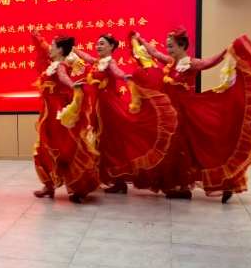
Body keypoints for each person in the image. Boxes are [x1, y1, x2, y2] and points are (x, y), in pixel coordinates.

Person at [133, 29, 251, 202]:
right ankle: (180, 186)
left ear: (182, 46)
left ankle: (222, 183)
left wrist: (228, 50)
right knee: (177, 149)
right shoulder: (170, 62)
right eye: (167, 46)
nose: (168, 50)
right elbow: (154, 53)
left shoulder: (192, 63)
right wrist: (140, 39)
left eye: (171, 46)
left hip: (186, 112)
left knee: (198, 148)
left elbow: (210, 62)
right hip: (172, 113)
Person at [71, 33, 179, 196]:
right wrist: (73, 49)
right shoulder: (97, 62)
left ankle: (119, 181)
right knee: (103, 143)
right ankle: (116, 181)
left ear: (111, 47)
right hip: (98, 107)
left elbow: (117, 72)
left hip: (110, 107)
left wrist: (126, 76)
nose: (98, 46)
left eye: (102, 43)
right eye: (97, 43)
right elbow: (86, 57)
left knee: (113, 143)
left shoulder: (110, 62)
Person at [31, 31, 99, 203]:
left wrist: (73, 85)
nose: (50, 48)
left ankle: (77, 186)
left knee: (63, 147)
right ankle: (49, 185)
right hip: (48, 112)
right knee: (45, 147)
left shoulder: (60, 65)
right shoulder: (54, 63)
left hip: (57, 113)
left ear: (60, 50)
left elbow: (63, 77)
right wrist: (38, 38)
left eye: (53, 46)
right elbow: (44, 50)